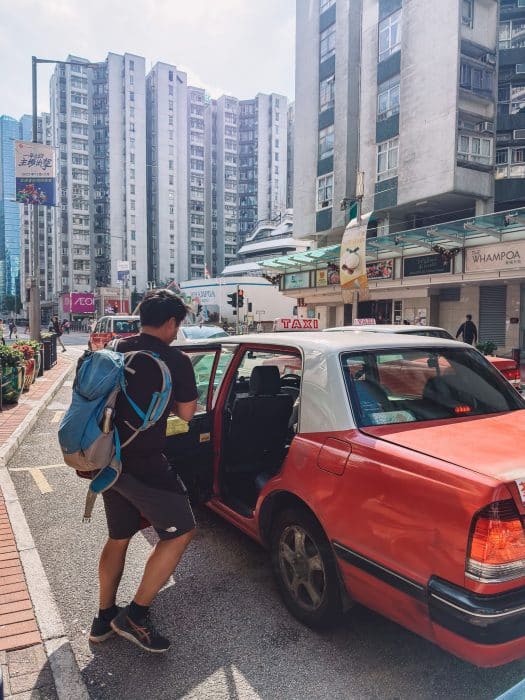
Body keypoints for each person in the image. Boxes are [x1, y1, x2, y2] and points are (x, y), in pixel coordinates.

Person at [89, 289, 198, 653]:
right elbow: (186, 415)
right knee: (182, 531)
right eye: (177, 325)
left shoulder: (116, 347)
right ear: (170, 323)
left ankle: (104, 617)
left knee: (119, 537)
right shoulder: (177, 360)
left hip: (106, 459)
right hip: (146, 465)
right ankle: (135, 615)